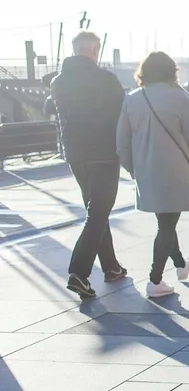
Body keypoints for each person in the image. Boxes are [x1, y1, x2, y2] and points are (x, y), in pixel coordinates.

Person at [117, 52, 189, 298]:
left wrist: (132, 169)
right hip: (174, 169)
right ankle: (155, 280)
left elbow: (121, 141)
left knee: (165, 222)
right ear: (171, 71)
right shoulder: (179, 97)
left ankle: (180, 265)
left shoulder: (131, 99)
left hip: (145, 171)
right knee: (167, 224)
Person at [50, 31, 127, 298]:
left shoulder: (59, 82)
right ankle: (79, 273)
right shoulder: (106, 79)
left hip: (76, 155)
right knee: (98, 212)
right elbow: (123, 115)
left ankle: (112, 268)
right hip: (104, 153)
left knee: (96, 210)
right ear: (95, 50)